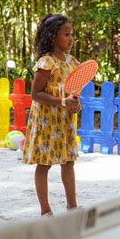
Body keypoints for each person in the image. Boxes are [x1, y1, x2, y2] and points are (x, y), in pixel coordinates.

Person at [22, 13, 82, 217]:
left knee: (68, 162)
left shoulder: (72, 62)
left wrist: (75, 105)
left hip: (64, 122)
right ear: (51, 37)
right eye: (66, 34)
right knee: (44, 163)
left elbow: (73, 94)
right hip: (46, 122)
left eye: (71, 34)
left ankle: (72, 206)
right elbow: (35, 94)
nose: (71, 39)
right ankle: (45, 210)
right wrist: (62, 102)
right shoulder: (46, 63)